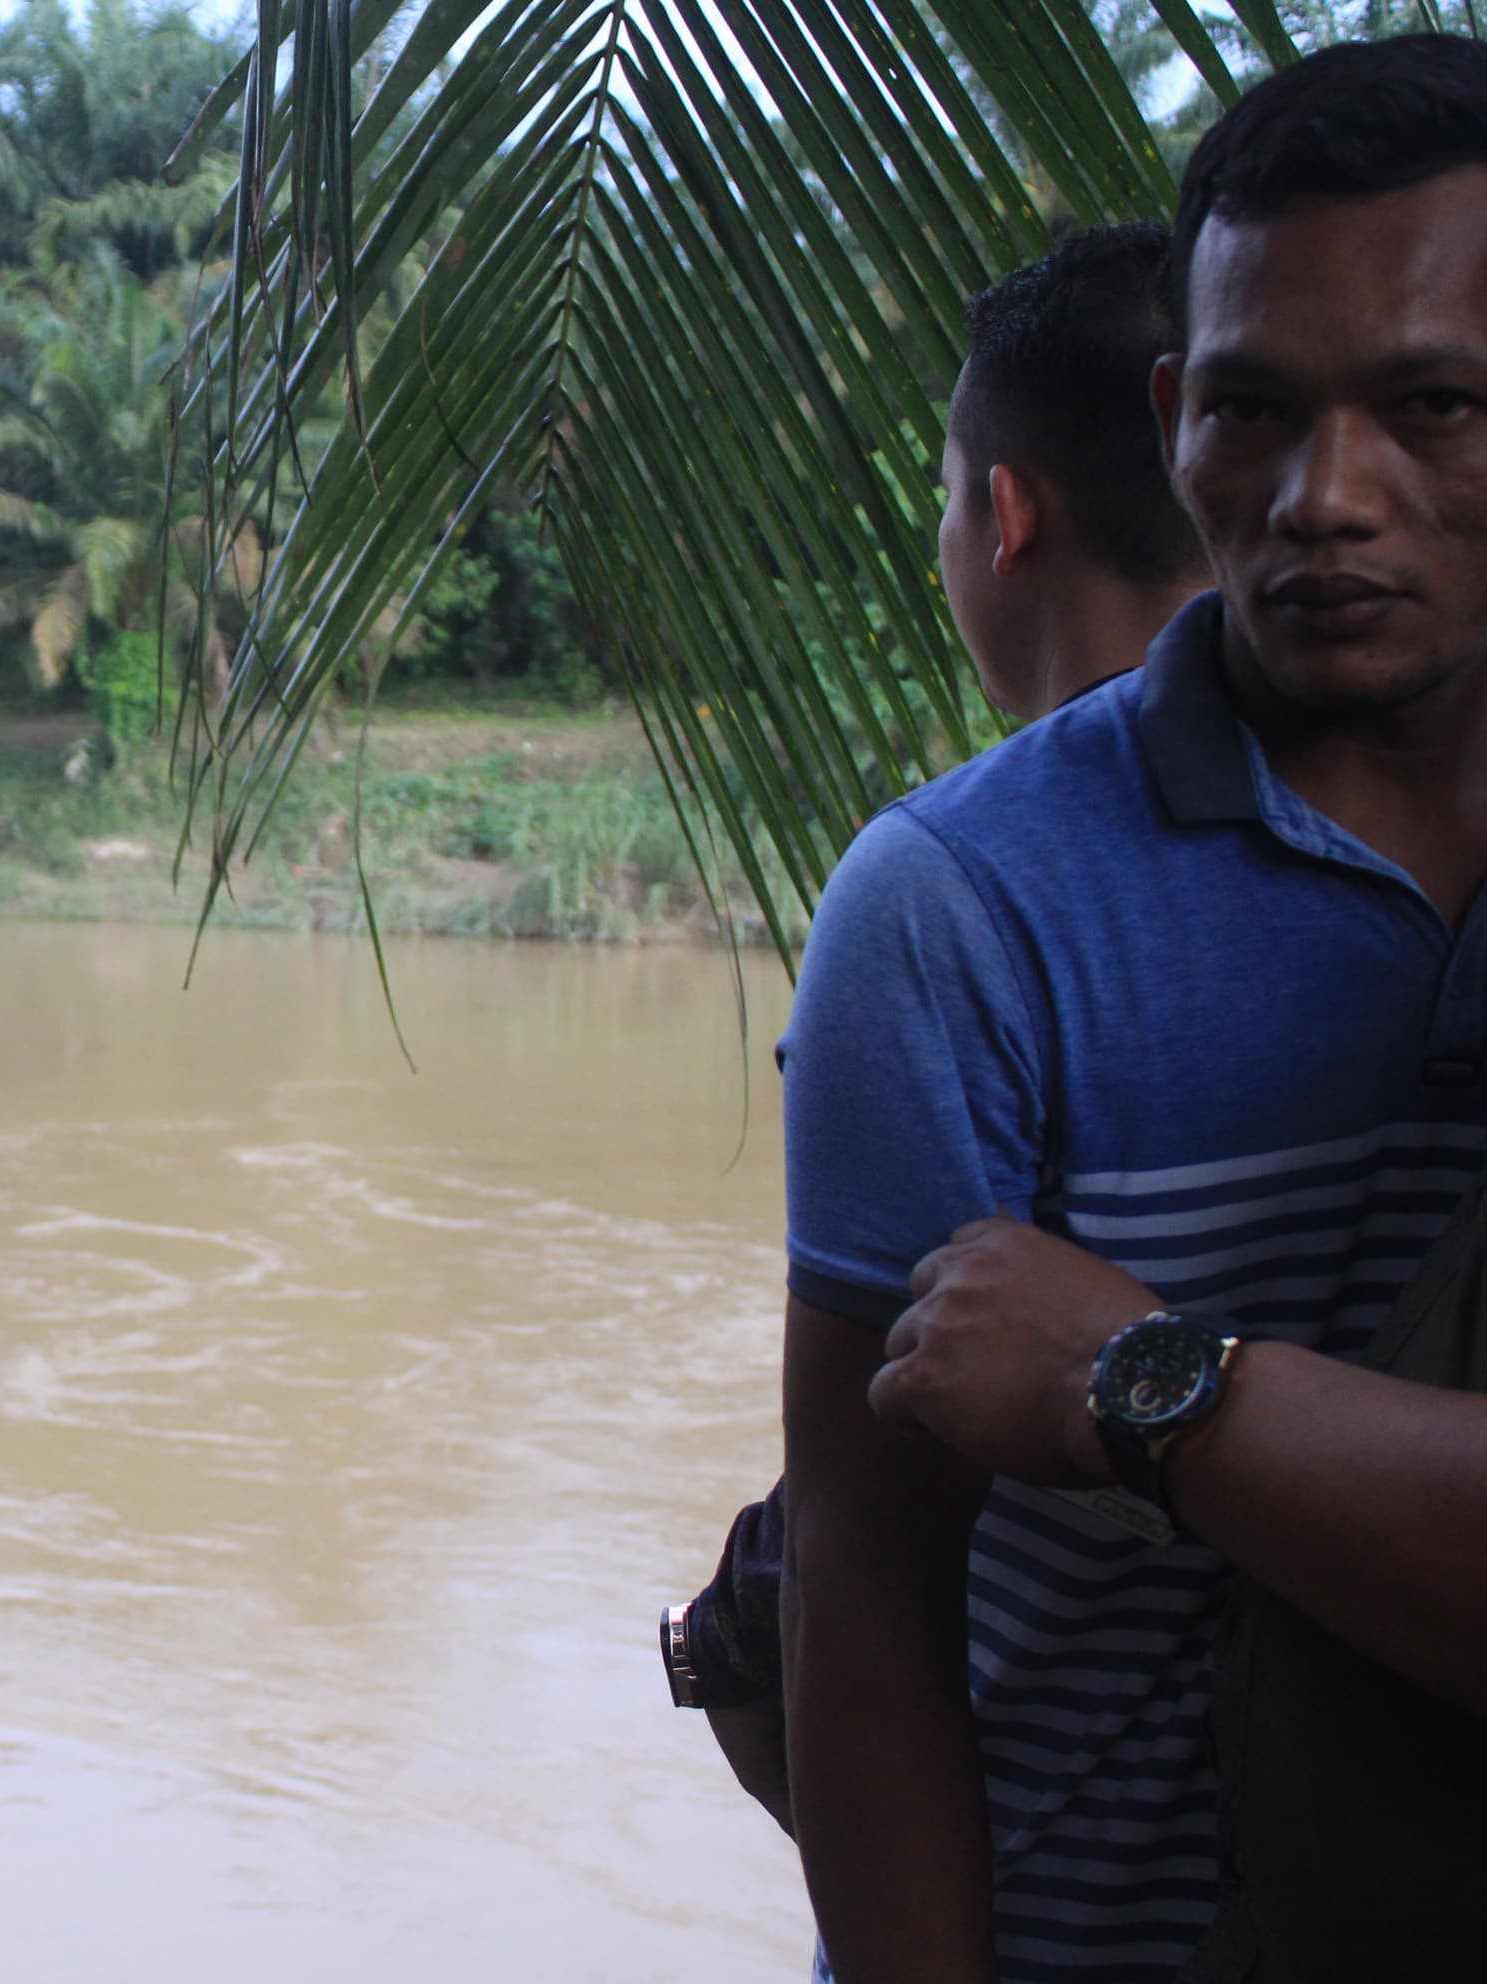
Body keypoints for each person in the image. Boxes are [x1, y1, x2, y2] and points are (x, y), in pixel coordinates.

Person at [777, 35, 1487, 1981]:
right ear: (1174, 419)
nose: (1327, 496)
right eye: (1256, 411)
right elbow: (865, 1585)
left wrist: (1143, 1373)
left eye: (1432, 403)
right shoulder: (957, 912)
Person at [663, 221, 1208, 1830]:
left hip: (1053, 1884)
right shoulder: (1414, 845)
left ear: (1004, 513)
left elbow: (865, 1564)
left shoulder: (935, 900)